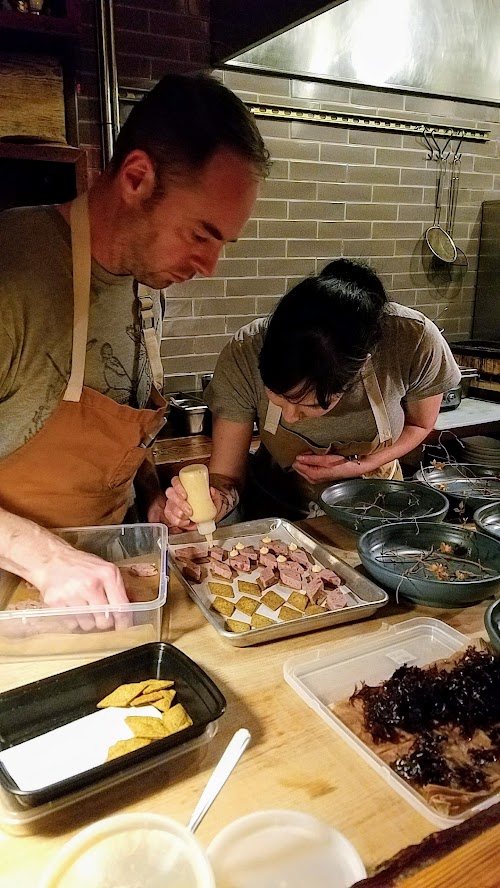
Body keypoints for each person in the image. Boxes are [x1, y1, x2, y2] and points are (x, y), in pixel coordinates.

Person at [0, 72, 269, 621]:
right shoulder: (14, 274)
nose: (209, 267)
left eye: (223, 244)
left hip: (105, 589)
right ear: (138, 177)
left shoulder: (145, 291)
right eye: (201, 234)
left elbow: (116, 441)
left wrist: (153, 503)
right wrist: (48, 559)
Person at [164, 258, 461, 529]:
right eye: (277, 398)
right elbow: (226, 476)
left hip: (376, 508)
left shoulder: (413, 339)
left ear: (358, 372)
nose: (291, 418)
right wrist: (214, 501)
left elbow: (420, 424)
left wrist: (362, 464)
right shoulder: (245, 352)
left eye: (307, 406)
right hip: (276, 512)